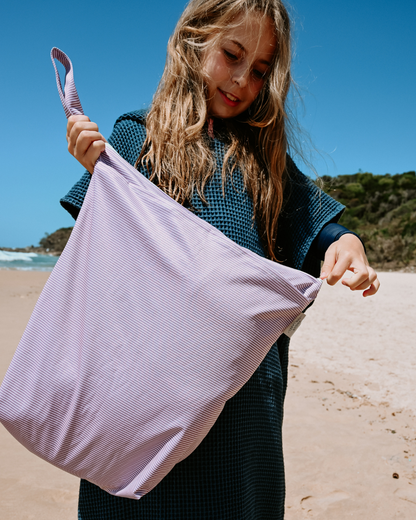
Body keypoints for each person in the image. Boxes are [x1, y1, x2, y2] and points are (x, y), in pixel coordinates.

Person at [62, 0, 379, 518]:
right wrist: (96, 169)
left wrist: (346, 243)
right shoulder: (136, 137)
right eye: (231, 55)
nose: (241, 81)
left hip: (244, 403)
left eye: (259, 70)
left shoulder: (265, 160)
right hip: (143, 389)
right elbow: (98, 252)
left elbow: (317, 226)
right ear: (194, 42)